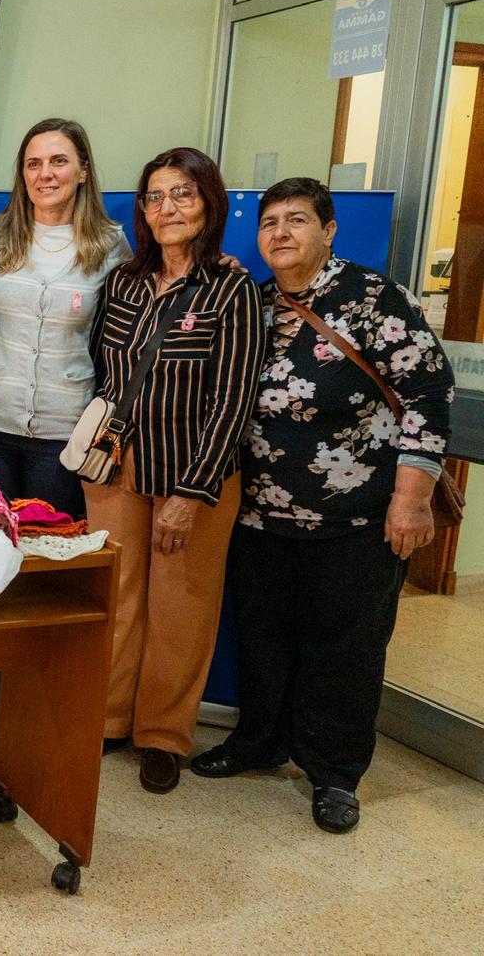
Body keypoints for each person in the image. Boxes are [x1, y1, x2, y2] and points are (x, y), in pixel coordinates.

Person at [191, 177, 454, 834]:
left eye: (298, 220)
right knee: (264, 639)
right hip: (259, 518)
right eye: (270, 222)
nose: (281, 233)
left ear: (328, 230)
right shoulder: (253, 302)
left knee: (346, 649)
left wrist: (412, 502)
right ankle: (260, 743)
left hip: (357, 520)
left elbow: (427, 396)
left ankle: (335, 773)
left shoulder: (372, 299)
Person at [84, 146, 264, 795]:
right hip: (116, 470)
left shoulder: (231, 288)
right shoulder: (124, 280)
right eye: (156, 196)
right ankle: (107, 719)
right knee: (118, 598)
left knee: (181, 607)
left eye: (183, 194)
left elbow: (233, 398)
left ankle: (163, 735)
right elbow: (105, 373)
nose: (168, 208)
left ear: (209, 203)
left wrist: (192, 491)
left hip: (194, 472)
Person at [0, 118, 132, 748]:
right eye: (33, 163)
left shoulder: (112, 247)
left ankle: (34, 687)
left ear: (84, 169)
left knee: (43, 562)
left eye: (58, 162)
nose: (45, 174)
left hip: (64, 432)